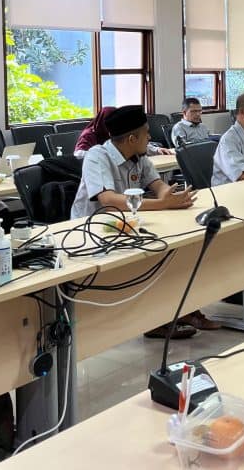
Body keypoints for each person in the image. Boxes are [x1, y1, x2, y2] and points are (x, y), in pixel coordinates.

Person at [69, 106, 211, 339]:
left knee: (173, 249)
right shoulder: (98, 156)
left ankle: (176, 312)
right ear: (132, 138)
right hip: (91, 231)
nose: (151, 137)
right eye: (146, 133)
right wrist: (164, 204)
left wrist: (169, 195)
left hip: (127, 226)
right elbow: (108, 201)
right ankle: (155, 319)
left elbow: (157, 184)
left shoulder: (139, 157)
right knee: (155, 254)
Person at [74, 106, 173, 158]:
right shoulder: (89, 134)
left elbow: (132, 143)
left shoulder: (117, 132)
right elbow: (78, 154)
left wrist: (156, 150)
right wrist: (106, 155)